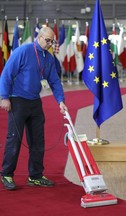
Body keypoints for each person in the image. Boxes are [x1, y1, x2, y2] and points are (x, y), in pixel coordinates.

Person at [0, 26, 68, 190]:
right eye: (48, 40)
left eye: (52, 41)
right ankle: (6, 174)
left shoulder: (49, 57)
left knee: (38, 141)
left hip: (35, 102)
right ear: (39, 37)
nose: (50, 44)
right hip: (17, 101)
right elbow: (6, 74)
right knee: (14, 139)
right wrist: (4, 97)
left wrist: (61, 100)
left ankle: (35, 176)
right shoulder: (23, 51)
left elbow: (54, 81)